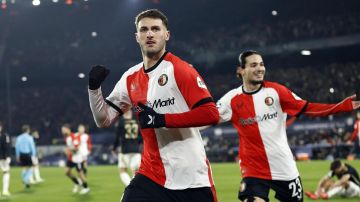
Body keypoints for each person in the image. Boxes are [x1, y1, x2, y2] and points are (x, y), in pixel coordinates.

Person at [88, 9, 219, 202]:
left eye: (156, 29)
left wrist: (161, 119)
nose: (150, 34)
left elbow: (211, 114)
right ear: (137, 36)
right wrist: (94, 89)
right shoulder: (130, 78)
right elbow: (104, 119)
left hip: (191, 176)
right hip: (151, 175)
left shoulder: (180, 69)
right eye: (144, 29)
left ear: (166, 35)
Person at [215, 50, 360, 202]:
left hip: (283, 167)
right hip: (253, 168)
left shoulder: (277, 91)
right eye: (253, 65)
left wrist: (343, 106)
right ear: (241, 70)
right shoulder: (230, 99)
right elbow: (206, 117)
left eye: (261, 64)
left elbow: (309, 108)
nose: (260, 68)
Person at [112, 110, 142, 187]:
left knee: (122, 171)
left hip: (124, 150)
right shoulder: (136, 120)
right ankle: (134, 188)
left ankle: (130, 188)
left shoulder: (121, 121)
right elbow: (141, 136)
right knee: (136, 172)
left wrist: (114, 148)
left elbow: (117, 137)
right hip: (136, 150)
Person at [61, 124, 90, 194]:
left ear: (67, 129)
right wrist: (68, 151)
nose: (62, 131)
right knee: (67, 172)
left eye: (63, 130)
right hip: (71, 158)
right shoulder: (66, 137)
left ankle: (86, 188)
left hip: (77, 158)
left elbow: (76, 148)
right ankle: (77, 183)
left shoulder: (73, 136)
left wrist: (68, 150)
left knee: (80, 174)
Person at [0, 121, 11, 196]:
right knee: (6, 172)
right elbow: (7, 147)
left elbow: (6, 147)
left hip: (2, 158)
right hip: (2, 158)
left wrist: (7, 156)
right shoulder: (4, 136)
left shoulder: (4, 136)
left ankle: (5, 190)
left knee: (6, 172)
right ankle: (5, 191)